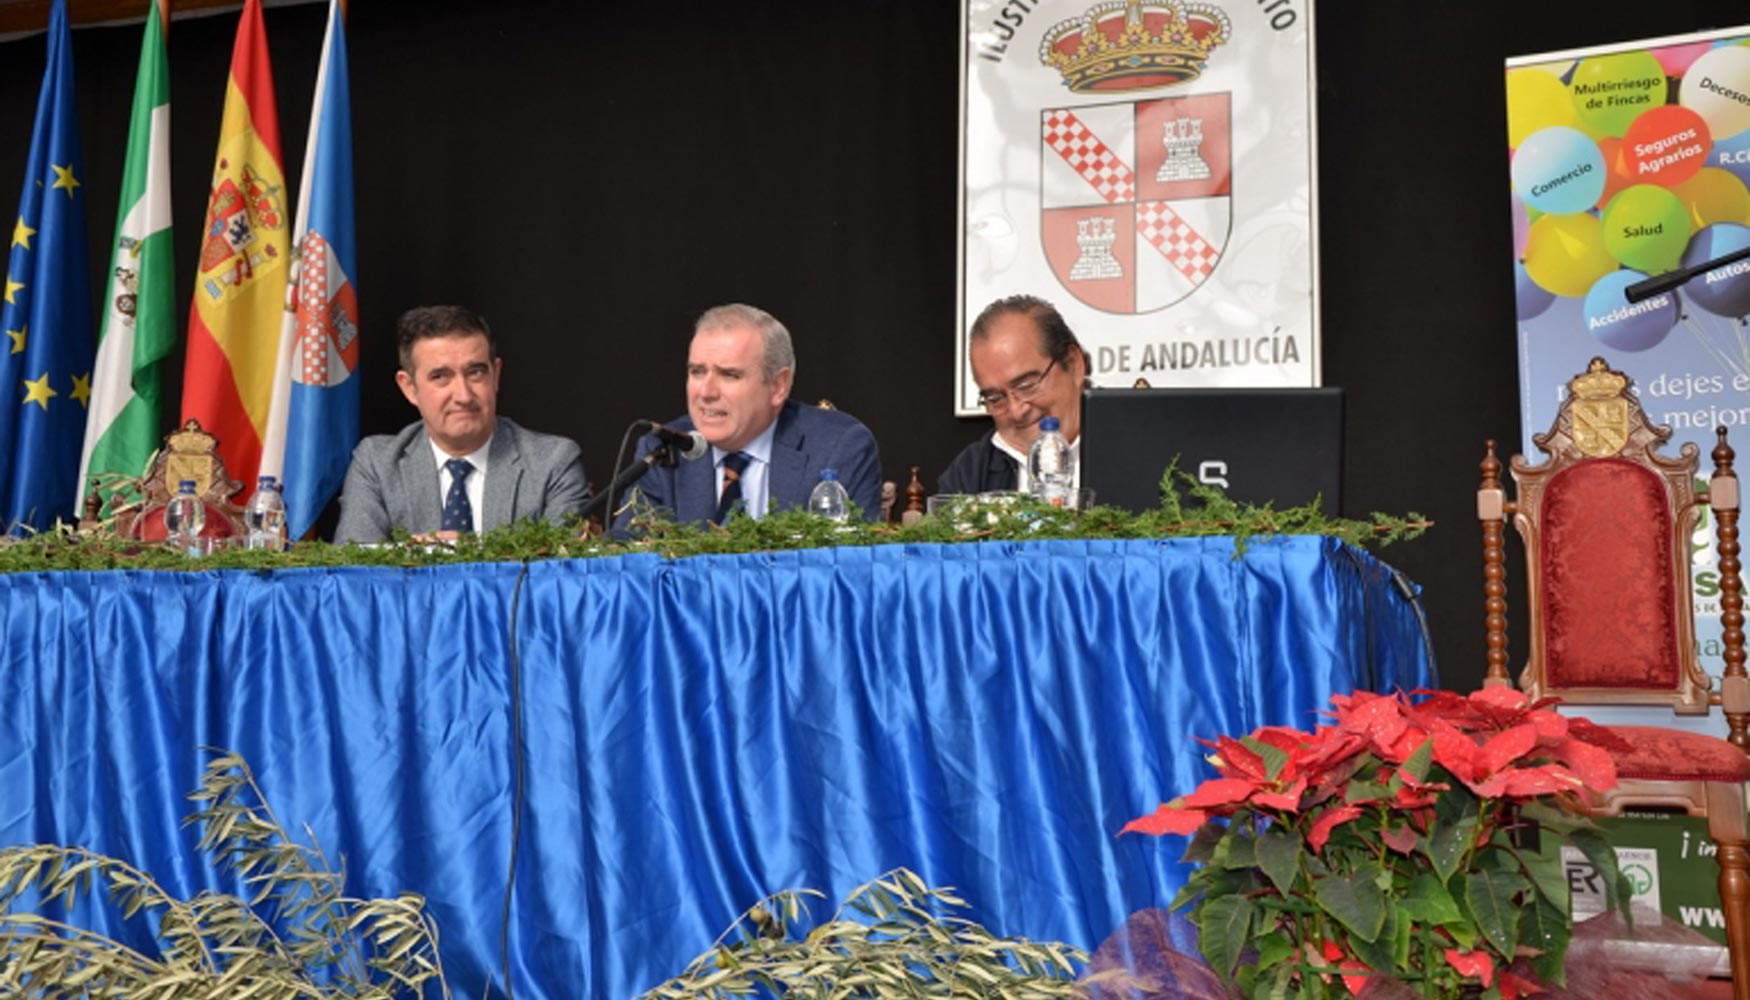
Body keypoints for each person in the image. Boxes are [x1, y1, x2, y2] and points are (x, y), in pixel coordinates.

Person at [333, 305, 588, 543]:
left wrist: (458, 554)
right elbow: (354, 573)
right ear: (409, 388)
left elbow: (560, 575)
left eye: (475, 372)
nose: (464, 395)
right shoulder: (377, 464)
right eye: (441, 377)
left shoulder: (552, 462)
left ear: (496, 375)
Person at [615, 303, 881, 528]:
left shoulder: (838, 447)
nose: (706, 392)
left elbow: (849, 572)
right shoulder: (661, 450)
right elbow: (629, 567)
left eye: (729, 375)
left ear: (777, 386)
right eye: (697, 372)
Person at [938, 294, 1090, 495]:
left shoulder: (1139, 448)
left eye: (1027, 385)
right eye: (996, 398)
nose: (1017, 411)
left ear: (1073, 365)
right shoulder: (970, 474)